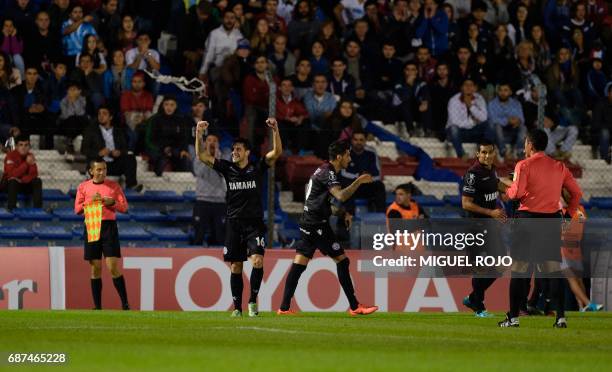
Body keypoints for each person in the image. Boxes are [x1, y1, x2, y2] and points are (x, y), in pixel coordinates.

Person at [277, 139, 378, 316]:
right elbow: (340, 195)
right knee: (342, 260)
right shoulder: (328, 172)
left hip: (310, 222)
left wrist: (342, 214)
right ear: (339, 157)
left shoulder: (323, 170)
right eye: (347, 154)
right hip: (316, 224)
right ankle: (355, 307)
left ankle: (284, 308)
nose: (349, 157)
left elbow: (325, 204)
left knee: (299, 263)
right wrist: (358, 181)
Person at [195, 118, 282, 317]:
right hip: (234, 224)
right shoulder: (227, 168)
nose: (234, 152)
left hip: (254, 224)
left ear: (247, 153)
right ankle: (237, 308)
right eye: (233, 149)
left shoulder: (257, 167)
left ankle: (252, 301)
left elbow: (276, 153)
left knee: (258, 261)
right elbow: (201, 156)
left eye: (239, 149)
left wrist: (275, 130)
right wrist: (198, 134)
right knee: (235, 265)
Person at [499, 129, 582, 328]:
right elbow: (576, 193)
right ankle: (560, 318)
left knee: (519, 269)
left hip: (527, 220)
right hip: (551, 220)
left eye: (526, 143)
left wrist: (504, 187)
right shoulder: (559, 166)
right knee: (552, 270)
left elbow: (516, 193)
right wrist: (569, 214)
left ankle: (513, 318)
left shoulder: (524, 165)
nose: (525, 146)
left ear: (530, 144)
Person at [461, 141, 509, 317]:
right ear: (478, 154)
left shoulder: (491, 170)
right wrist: (492, 212)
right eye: (483, 152)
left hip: (490, 226)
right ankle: (478, 307)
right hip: (475, 227)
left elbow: (497, 184)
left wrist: (516, 188)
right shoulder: (473, 174)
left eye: (490, 152)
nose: (487, 156)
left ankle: (473, 298)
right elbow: (466, 203)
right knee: (481, 268)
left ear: (494, 153)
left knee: (502, 265)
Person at [74, 158, 130, 310]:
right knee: (95, 267)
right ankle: (97, 307)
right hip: (92, 224)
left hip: (108, 227)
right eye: (98, 169)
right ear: (91, 171)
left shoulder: (114, 186)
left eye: (104, 169)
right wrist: (91, 201)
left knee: (112, 266)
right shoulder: (83, 187)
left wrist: (112, 203)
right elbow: (77, 209)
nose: (102, 172)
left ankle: (125, 304)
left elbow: (124, 208)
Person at [81, 105, 143, 191]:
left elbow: (125, 149)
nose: (101, 116)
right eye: (99, 114)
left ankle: (132, 185)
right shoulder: (91, 131)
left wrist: (119, 152)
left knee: (130, 158)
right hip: (99, 163)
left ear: (110, 117)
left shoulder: (118, 131)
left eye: (104, 114)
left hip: (114, 164)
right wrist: (99, 153)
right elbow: (84, 150)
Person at [192, 130, 227, 246]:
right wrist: (207, 157)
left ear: (218, 144)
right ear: (205, 143)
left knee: (220, 236)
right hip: (203, 200)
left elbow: (223, 173)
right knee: (199, 234)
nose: (212, 143)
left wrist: (215, 157)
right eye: (209, 140)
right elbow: (199, 172)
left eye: (215, 141)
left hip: (219, 201)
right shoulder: (199, 157)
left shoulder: (224, 158)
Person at [446, 78, 492, 159]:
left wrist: (470, 106)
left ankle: (483, 153)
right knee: (453, 128)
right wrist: (473, 122)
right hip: (459, 133)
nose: (468, 87)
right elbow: (455, 121)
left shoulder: (479, 99)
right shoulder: (454, 100)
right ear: (461, 87)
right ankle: (462, 154)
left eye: (471, 85)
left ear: (475, 88)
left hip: (473, 132)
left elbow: (484, 118)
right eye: (466, 85)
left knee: (489, 124)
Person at [1, 135, 42, 211]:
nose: (23, 147)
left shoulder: (30, 156)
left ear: (29, 147)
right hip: (10, 185)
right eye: (21, 145)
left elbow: (33, 174)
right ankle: (11, 209)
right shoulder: (10, 156)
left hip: (23, 184)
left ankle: (38, 210)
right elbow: (11, 174)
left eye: (26, 145)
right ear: (16, 146)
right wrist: (26, 164)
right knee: (13, 181)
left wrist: (21, 180)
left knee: (37, 181)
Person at [487, 83, 526, 161]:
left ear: (510, 92)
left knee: (523, 127)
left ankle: (519, 152)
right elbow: (492, 119)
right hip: (497, 132)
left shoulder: (516, 103)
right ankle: (503, 152)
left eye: (505, 90)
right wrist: (507, 121)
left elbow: (522, 119)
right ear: (498, 92)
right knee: (497, 125)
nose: (502, 93)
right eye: (500, 90)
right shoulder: (492, 104)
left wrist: (517, 121)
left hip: (513, 129)